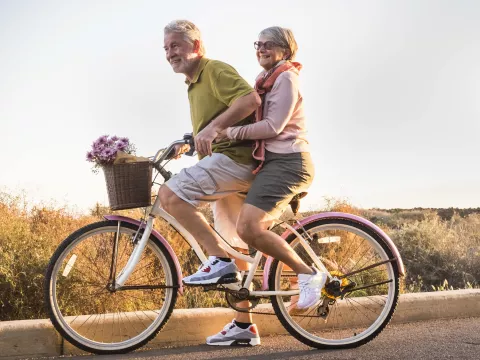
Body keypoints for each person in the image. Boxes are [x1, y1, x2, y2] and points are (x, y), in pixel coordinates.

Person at [206, 26, 327, 345]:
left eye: (268, 44)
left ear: (286, 49)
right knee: (238, 236)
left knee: (248, 228)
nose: (260, 48)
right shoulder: (266, 80)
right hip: (272, 164)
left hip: (289, 163)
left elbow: (273, 126)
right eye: (257, 44)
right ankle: (243, 325)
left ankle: (307, 274)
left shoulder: (286, 77)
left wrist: (228, 133)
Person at [153, 20, 261, 346]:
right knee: (236, 248)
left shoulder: (213, 69)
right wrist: (189, 141)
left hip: (236, 161)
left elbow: (250, 100)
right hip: (224, 164)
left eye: (176, 45)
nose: (170, 53)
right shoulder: (192, 83)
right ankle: (244, 326)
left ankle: (219, 262)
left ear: (196, 46)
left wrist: (213, 129)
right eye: (167, 48)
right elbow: (212, 122)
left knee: (169, 195)